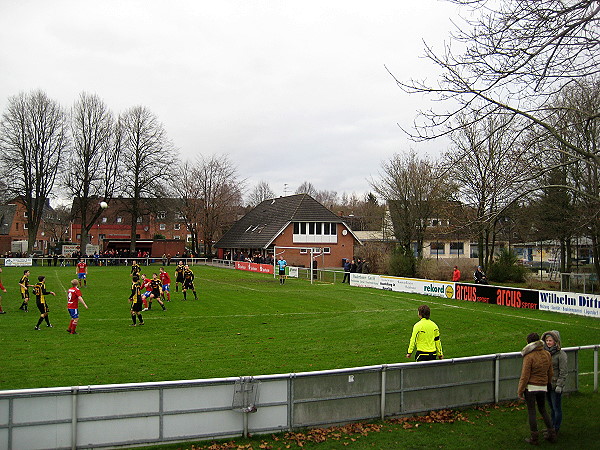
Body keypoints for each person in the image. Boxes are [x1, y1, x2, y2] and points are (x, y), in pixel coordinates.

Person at [517, 332, 557, 444]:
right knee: (543, 409)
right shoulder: (547, 354)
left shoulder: (529, 356)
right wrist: (547, 383)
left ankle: (534, 438)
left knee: (532, 412)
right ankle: (552, 434)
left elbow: (524, 376)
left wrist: (520, 391)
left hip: (531, 387)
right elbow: (550, 372)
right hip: (543, 386)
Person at [542, 330, 567, 435]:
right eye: (547, 340)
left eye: (550, 341)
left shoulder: (561, 355)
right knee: (551, 408)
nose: (548, 342)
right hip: (547, 385)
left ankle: (555, 428)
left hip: (555, 386)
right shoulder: (545, 353)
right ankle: (551, 427)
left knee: (556, 408)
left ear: (556, 341)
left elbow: (563, 371)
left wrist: (559, 385)